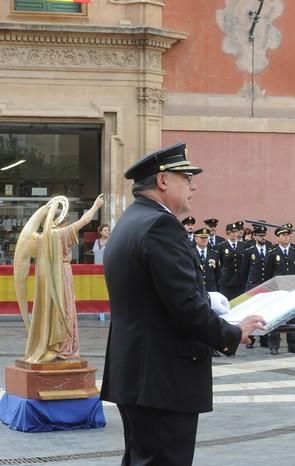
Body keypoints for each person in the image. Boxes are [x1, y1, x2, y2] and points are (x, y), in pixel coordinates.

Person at [101, 143, 265, 465]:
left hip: (137, 375)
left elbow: (158, 297)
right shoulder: (162, 226)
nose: (193, 185)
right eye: (186, 177)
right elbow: (186, 309)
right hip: (162, 379)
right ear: (163, 181)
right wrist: (232, 333)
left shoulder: (131, 222)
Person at [14, 193, 104, 364]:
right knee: (65, 308)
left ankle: (47, 342)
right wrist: (96, 206)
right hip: (61, 274)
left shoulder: (42, 237)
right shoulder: (60, 234)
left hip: (46, 278)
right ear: (61, 221)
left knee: (49, 309)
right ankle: (63, 346)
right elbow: (85, 221)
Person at [264, 224, 295, 355]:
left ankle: (293, 344)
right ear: (278, 238)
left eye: (288, 235)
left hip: (291, 290)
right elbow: (268, 274)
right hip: (277, 290)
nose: (286, 238)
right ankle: (274, 345)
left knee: (292, 317)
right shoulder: (273, 253)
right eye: (283, 235)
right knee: (276, 318)